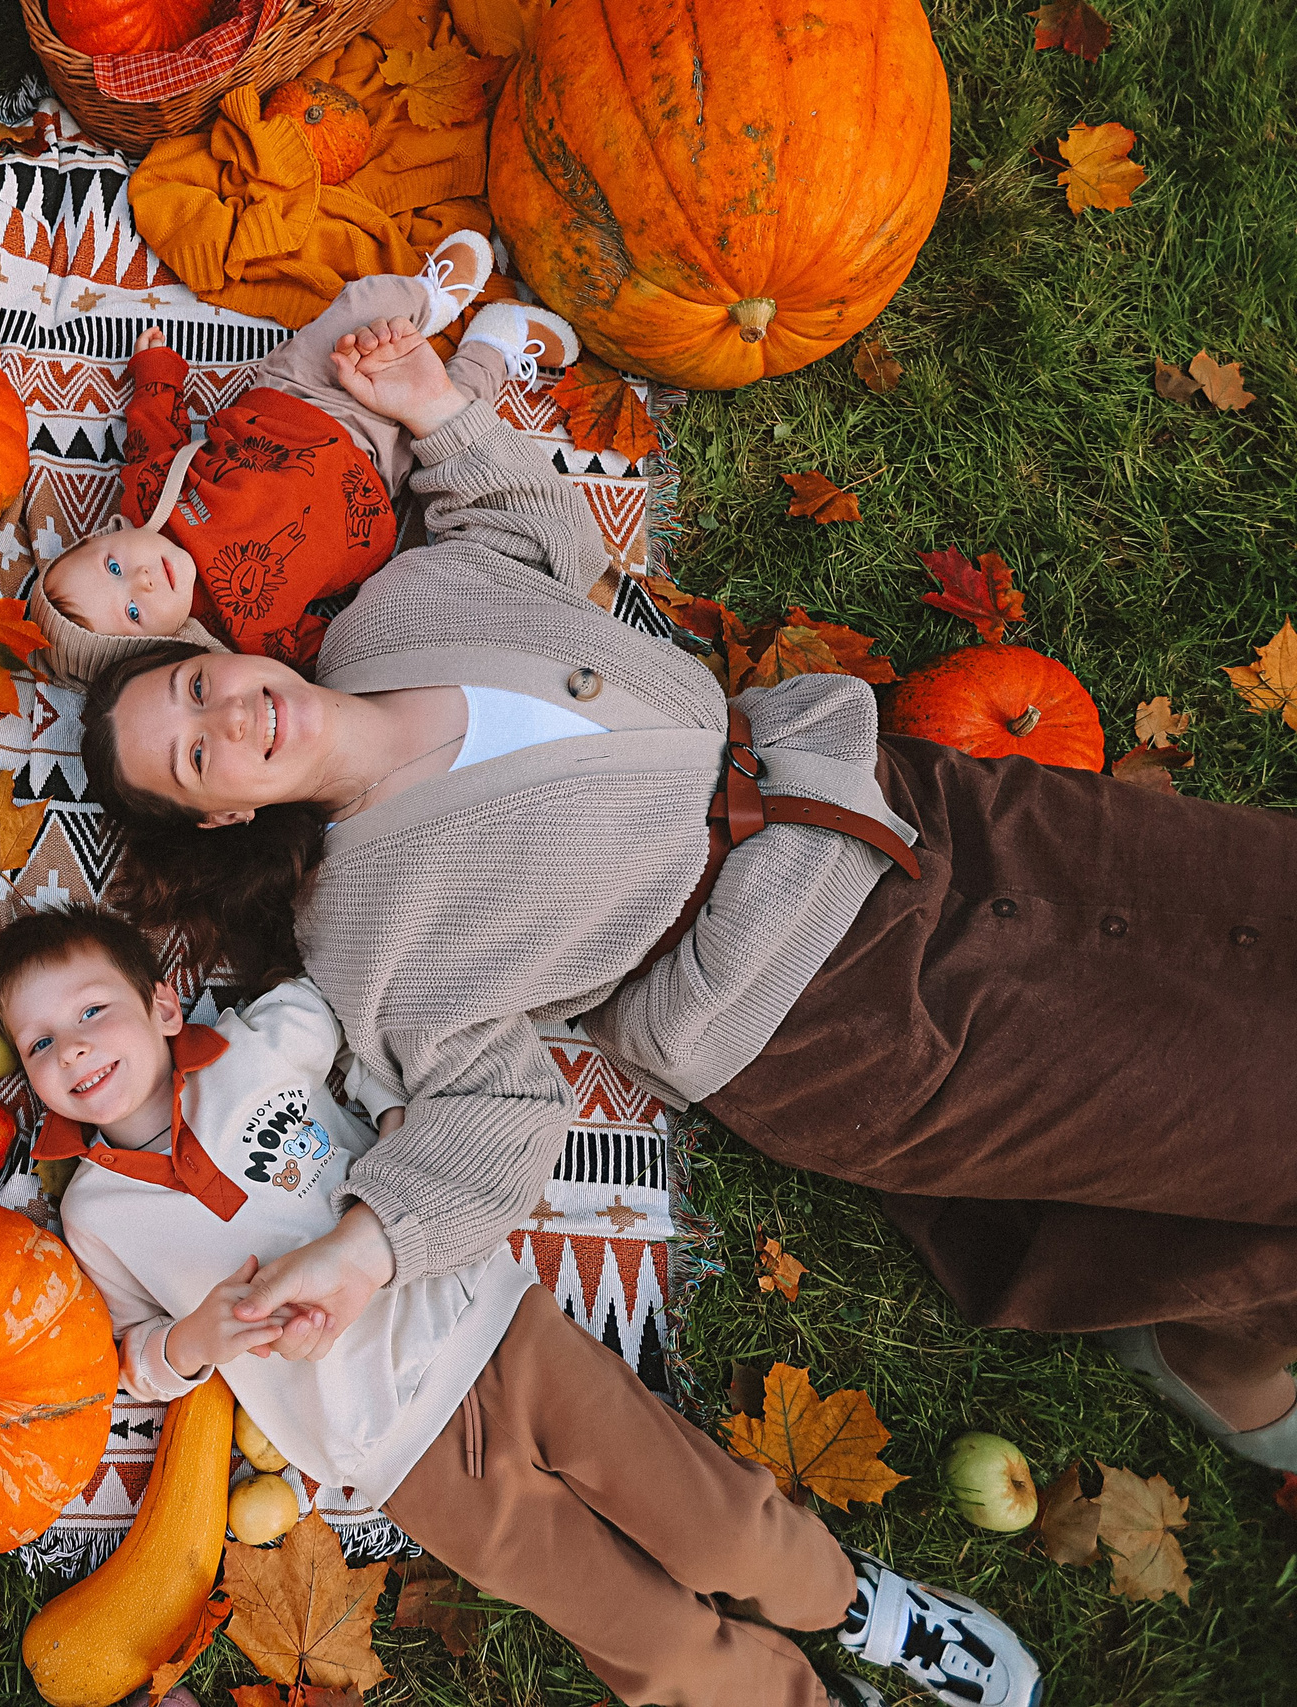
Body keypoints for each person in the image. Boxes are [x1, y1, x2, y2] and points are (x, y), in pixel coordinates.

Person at [70, 302, 1297, 1474]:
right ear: (223, 815)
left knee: (1251, 890)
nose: (229, 719)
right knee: (1248, 1107)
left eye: (194, 689)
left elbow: (531, 538)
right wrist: (362, 1252)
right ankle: (1224, 1348)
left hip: (905, 803)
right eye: (196, 758)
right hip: (836, 1014)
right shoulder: (362, 930)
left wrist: (440, 410)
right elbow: (487, 1112)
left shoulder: (397, 613)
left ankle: (1220, 1318)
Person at [0, 905, 1040, 1707]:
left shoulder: (257, 1046)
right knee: (639, 1631)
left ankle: (860, 1609)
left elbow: (365, 1016)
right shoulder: (97, 1214)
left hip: (493, 1326)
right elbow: (129, 1360)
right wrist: (194, 1339)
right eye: (38, 1044)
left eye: (92, 1012)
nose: (72, 1049)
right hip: (399, 1454)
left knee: (717, 1525)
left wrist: (393, 1117)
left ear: (164, 1007)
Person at [27, 229, 578, 684]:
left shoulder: (151, 501)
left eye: (114, 566)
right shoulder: (246, 642)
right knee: (453, 424)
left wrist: (156, 377)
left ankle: (428, 299)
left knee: (363, 306)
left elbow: (152, 435)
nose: (143, 580)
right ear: (160, 649)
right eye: (133, 612)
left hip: (297, 396)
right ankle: (492, 348)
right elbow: (339, 650)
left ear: (104, 535)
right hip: (375, 475)